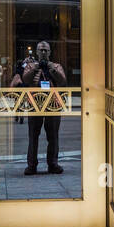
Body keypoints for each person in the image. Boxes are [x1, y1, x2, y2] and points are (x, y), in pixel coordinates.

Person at [12, 40, 67, 175]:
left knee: (53, 135)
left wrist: (50, 68)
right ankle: (31, 165)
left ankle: (53, 163)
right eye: (40, 50)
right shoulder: (30, 66)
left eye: (45, 50)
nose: (43, 52)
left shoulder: (56, 65)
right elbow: (25, 79)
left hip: (52, 104)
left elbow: (62, 81)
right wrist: (36, 68)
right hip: (35, 102)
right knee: (33, 136)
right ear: (36, 52)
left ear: (49, 52)